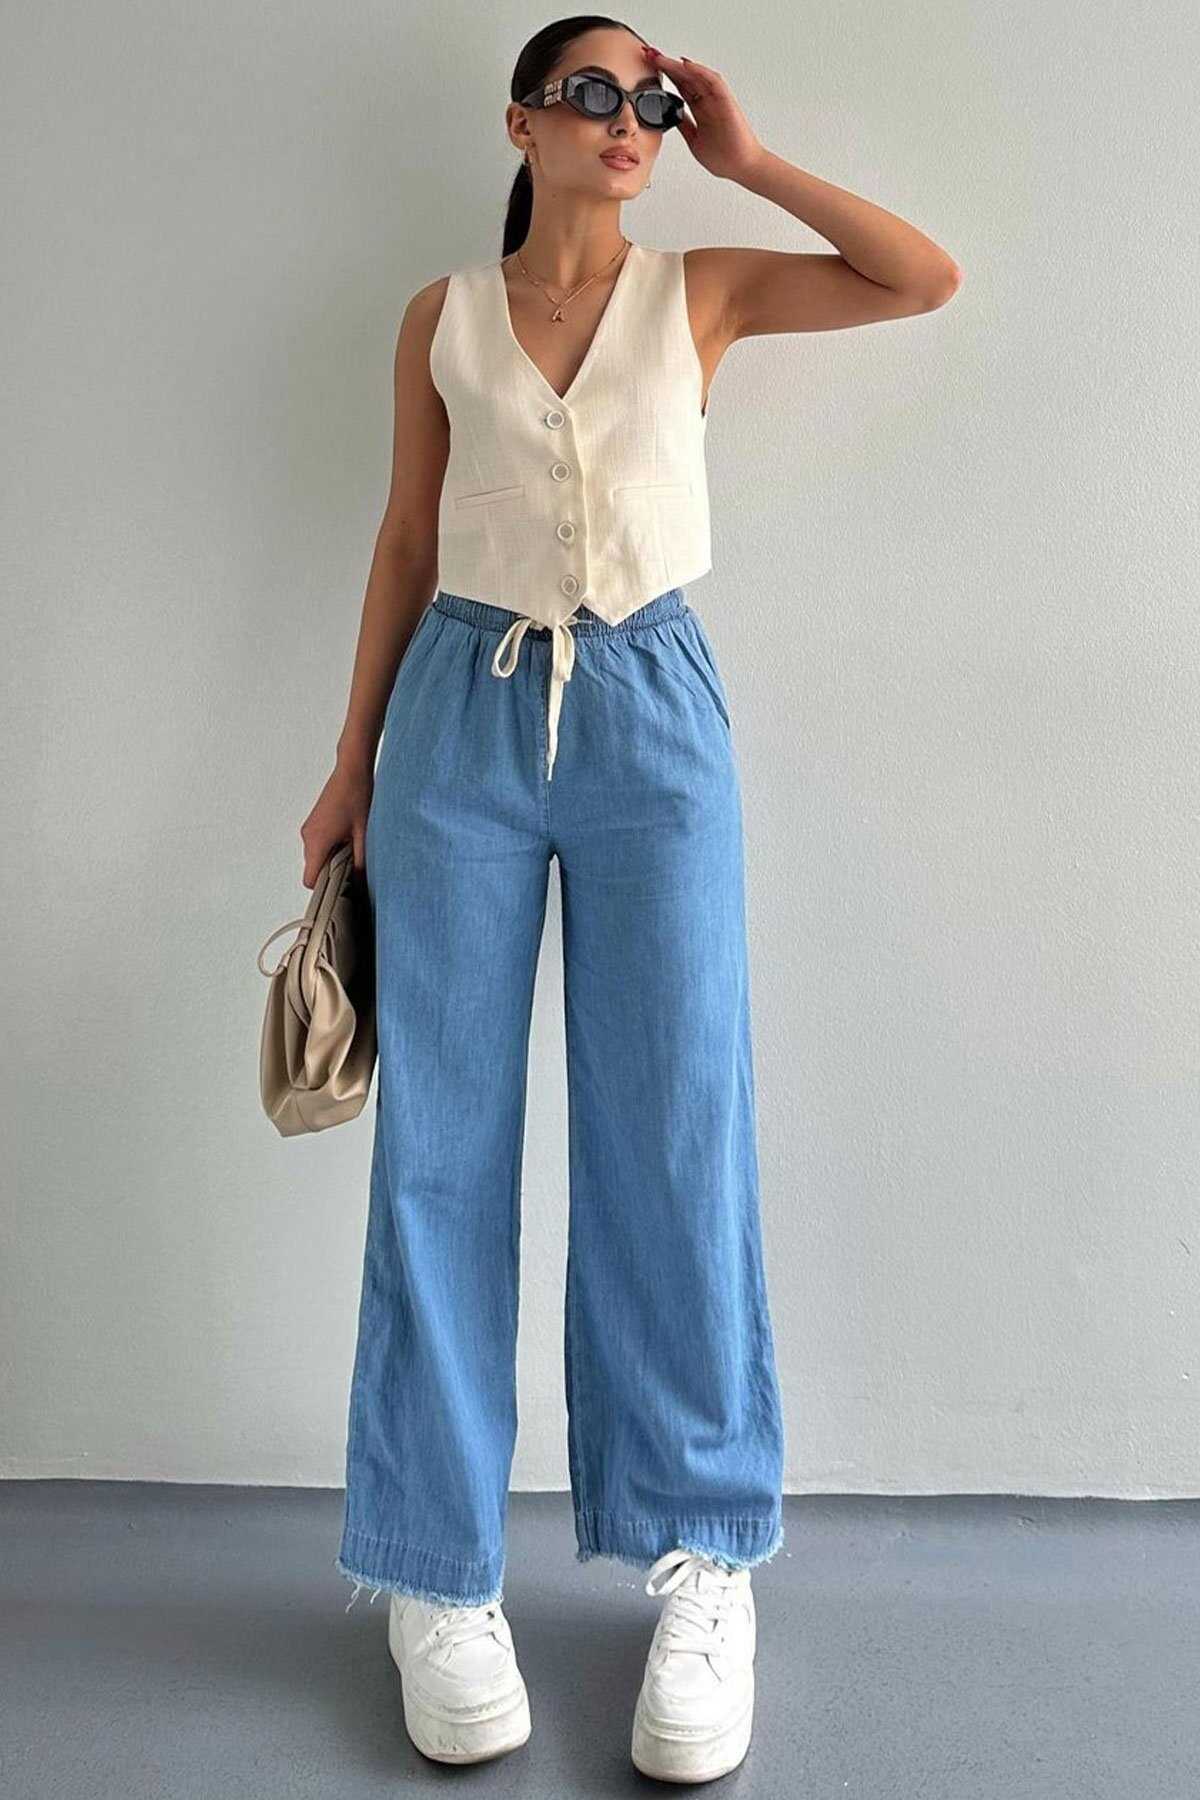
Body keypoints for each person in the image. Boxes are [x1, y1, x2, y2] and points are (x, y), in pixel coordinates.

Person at [300, 17, 961, 1782]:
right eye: (591, 92)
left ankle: (702, 1556)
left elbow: (921, 278)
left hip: (655, 710)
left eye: (649, 101)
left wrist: (750, 157)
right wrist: (352, 762)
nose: (626, 118)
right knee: (440, 1145)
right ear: (520, 119)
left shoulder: (703, 291)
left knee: (675, 1130)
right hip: (458, 715)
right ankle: (435, 1573)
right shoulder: (439, 318)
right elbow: (405, 540)